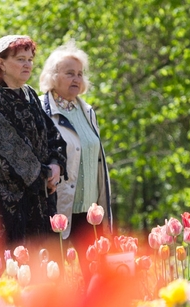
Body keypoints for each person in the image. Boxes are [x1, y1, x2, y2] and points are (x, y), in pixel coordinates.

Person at [0, 35, 67, 263]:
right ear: (1, 63)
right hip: (7, 206)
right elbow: (13, 153)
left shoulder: (30, 96)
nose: (28, 64)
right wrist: (45, 175)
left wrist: (56, 163)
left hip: (39, 199)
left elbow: (51, 134)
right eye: (20, 59)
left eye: (30, 59)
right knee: (11, 272)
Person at [39, 40, 112, 282]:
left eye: (80, 74)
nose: (76, 79)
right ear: (52, 76)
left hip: (90, 211)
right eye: (69, 73)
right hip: (59, 209)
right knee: (55, 281)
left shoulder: (87, 111)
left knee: (97, 280)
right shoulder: (41, 109)